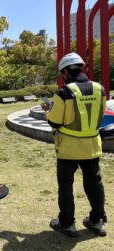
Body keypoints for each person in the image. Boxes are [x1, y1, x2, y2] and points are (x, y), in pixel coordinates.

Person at [41, 52, 107, 237]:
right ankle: (97, 220)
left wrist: (48, 110)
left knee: (66, 185)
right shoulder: (100, 89)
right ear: (82, 68)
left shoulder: (64, 93)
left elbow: (54, 122)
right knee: (94, 184)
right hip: (92, 147)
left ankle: (67, 224)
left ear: (65, 72)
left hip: (68, 149)